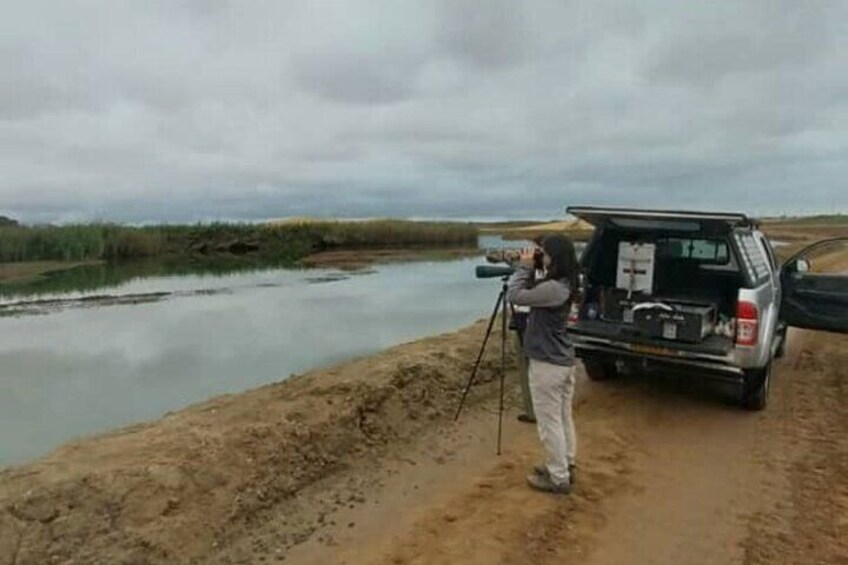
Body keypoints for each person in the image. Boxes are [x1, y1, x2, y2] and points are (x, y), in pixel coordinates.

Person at [506, 234, 580, 494]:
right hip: (562, 361)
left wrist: (525, 267)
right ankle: (565, 464)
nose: (541, 256)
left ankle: (558, 478)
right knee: (562, 417)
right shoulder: (563, 283)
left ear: (555, 256)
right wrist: (533, 267)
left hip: (548, 364)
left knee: (549, 422)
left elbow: (513, 295)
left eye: (544, 253)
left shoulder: (553, 289)